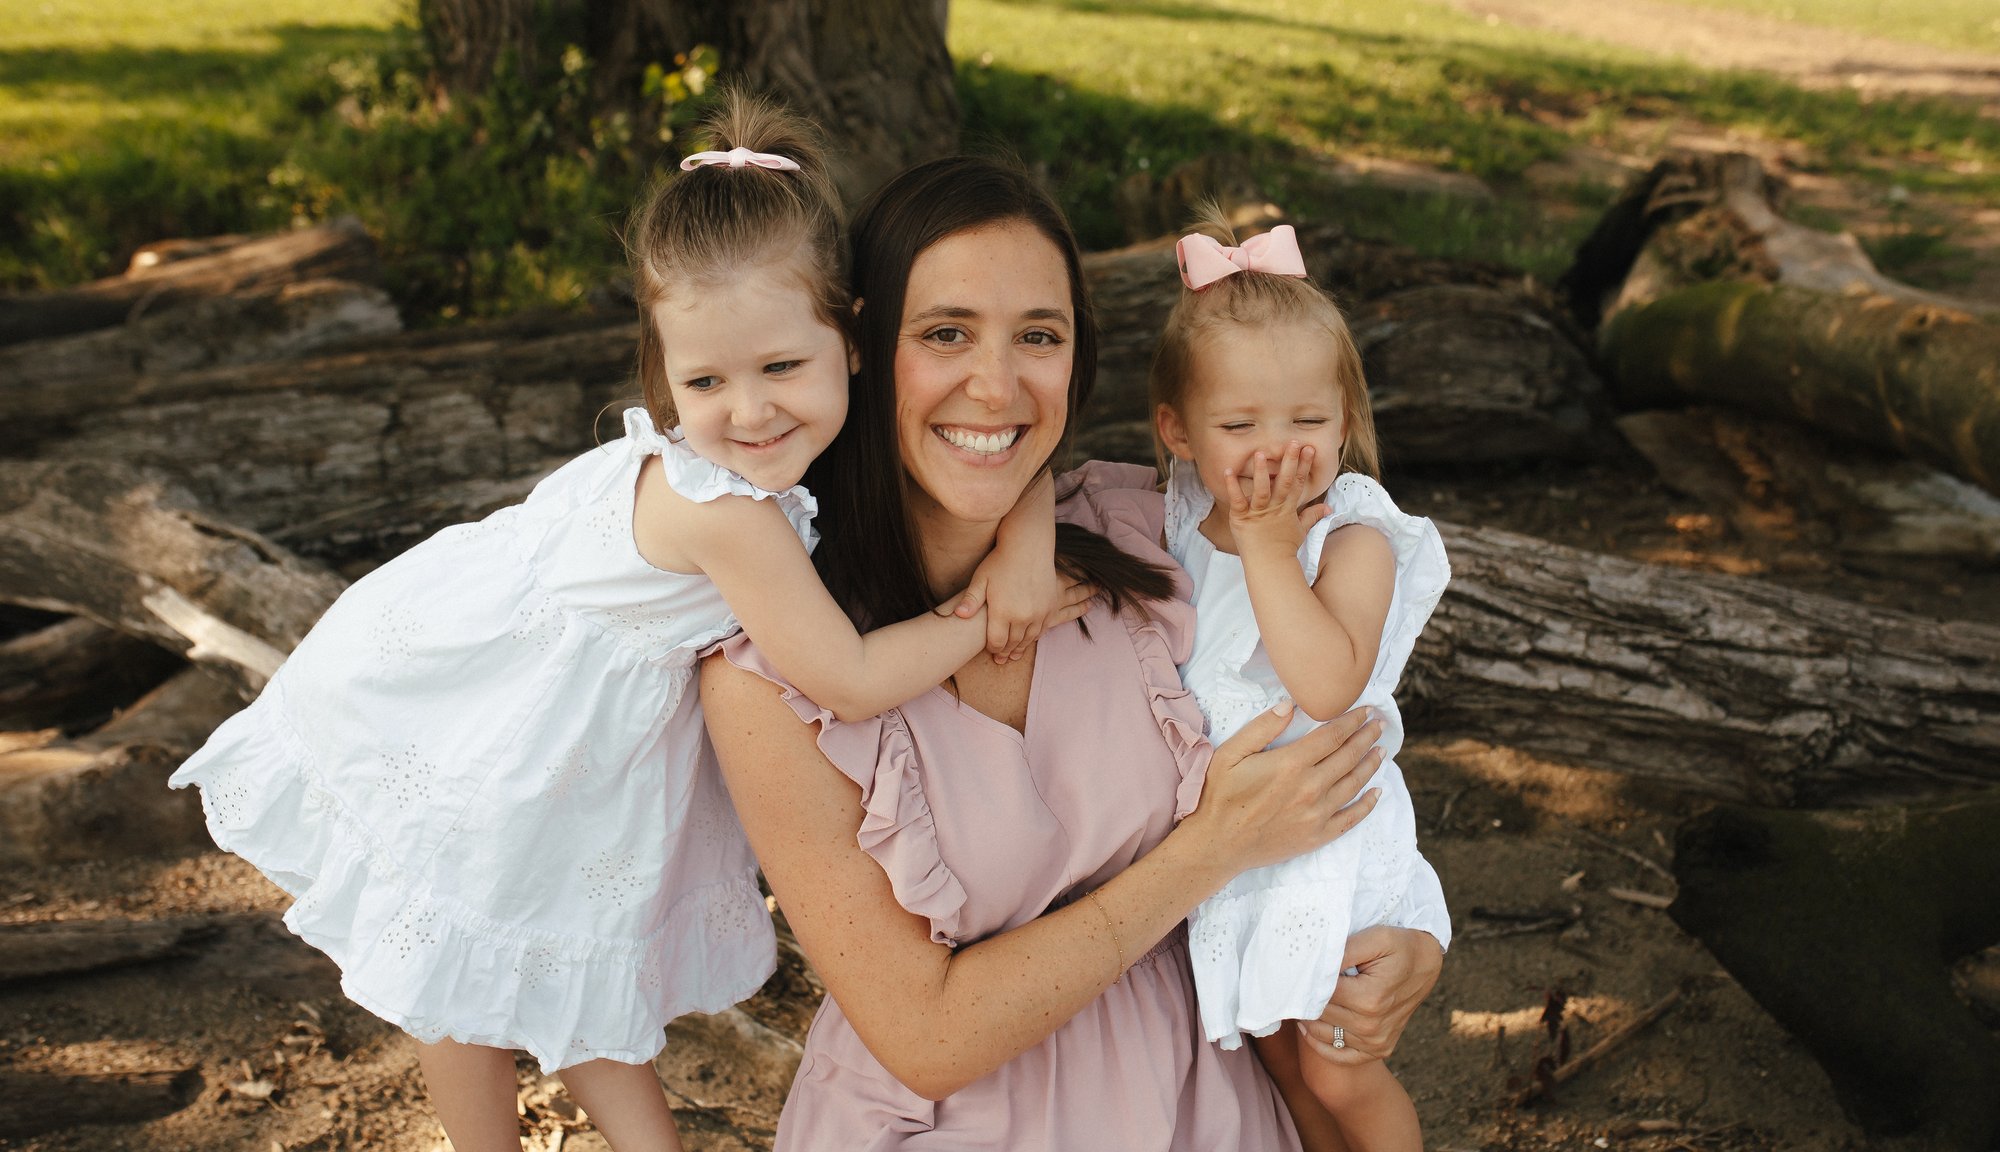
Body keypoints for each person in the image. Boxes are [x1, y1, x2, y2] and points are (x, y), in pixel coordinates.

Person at [167, 95, 1079, 1152]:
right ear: (665, 374)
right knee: (468, 975)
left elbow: (1005, 454)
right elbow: (851, 678)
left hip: (560, 727)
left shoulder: (768, 454)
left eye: (782, 367)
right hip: (498, 727)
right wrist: (996, 614)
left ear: (854, 344)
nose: (750, 411)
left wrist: (1026, 530)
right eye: (704, 381)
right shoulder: (726, 509)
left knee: (547, 962)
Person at [700, 155, 1445, 1149]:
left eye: (1037, 336)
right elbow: (924, 1035)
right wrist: (1212, 846)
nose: (997, 384)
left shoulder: (1148, 535)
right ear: (860, 347)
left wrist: (1400, 948)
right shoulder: (769, 681)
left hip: (1208, 1104)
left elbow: (1326, 743)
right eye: (945, 333)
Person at [1151, 216, 1453, 1152]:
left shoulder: (1351, 536)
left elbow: (1327, 682)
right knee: (1278, 1062)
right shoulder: (1171, 526)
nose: (1277, 452)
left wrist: (1274, 552)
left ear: (1348, 422)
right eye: (1240, 425)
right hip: (1236, 857)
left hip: (1329, 839)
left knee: (1335, 1059)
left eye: (1310, 423)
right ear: (1178, 432)